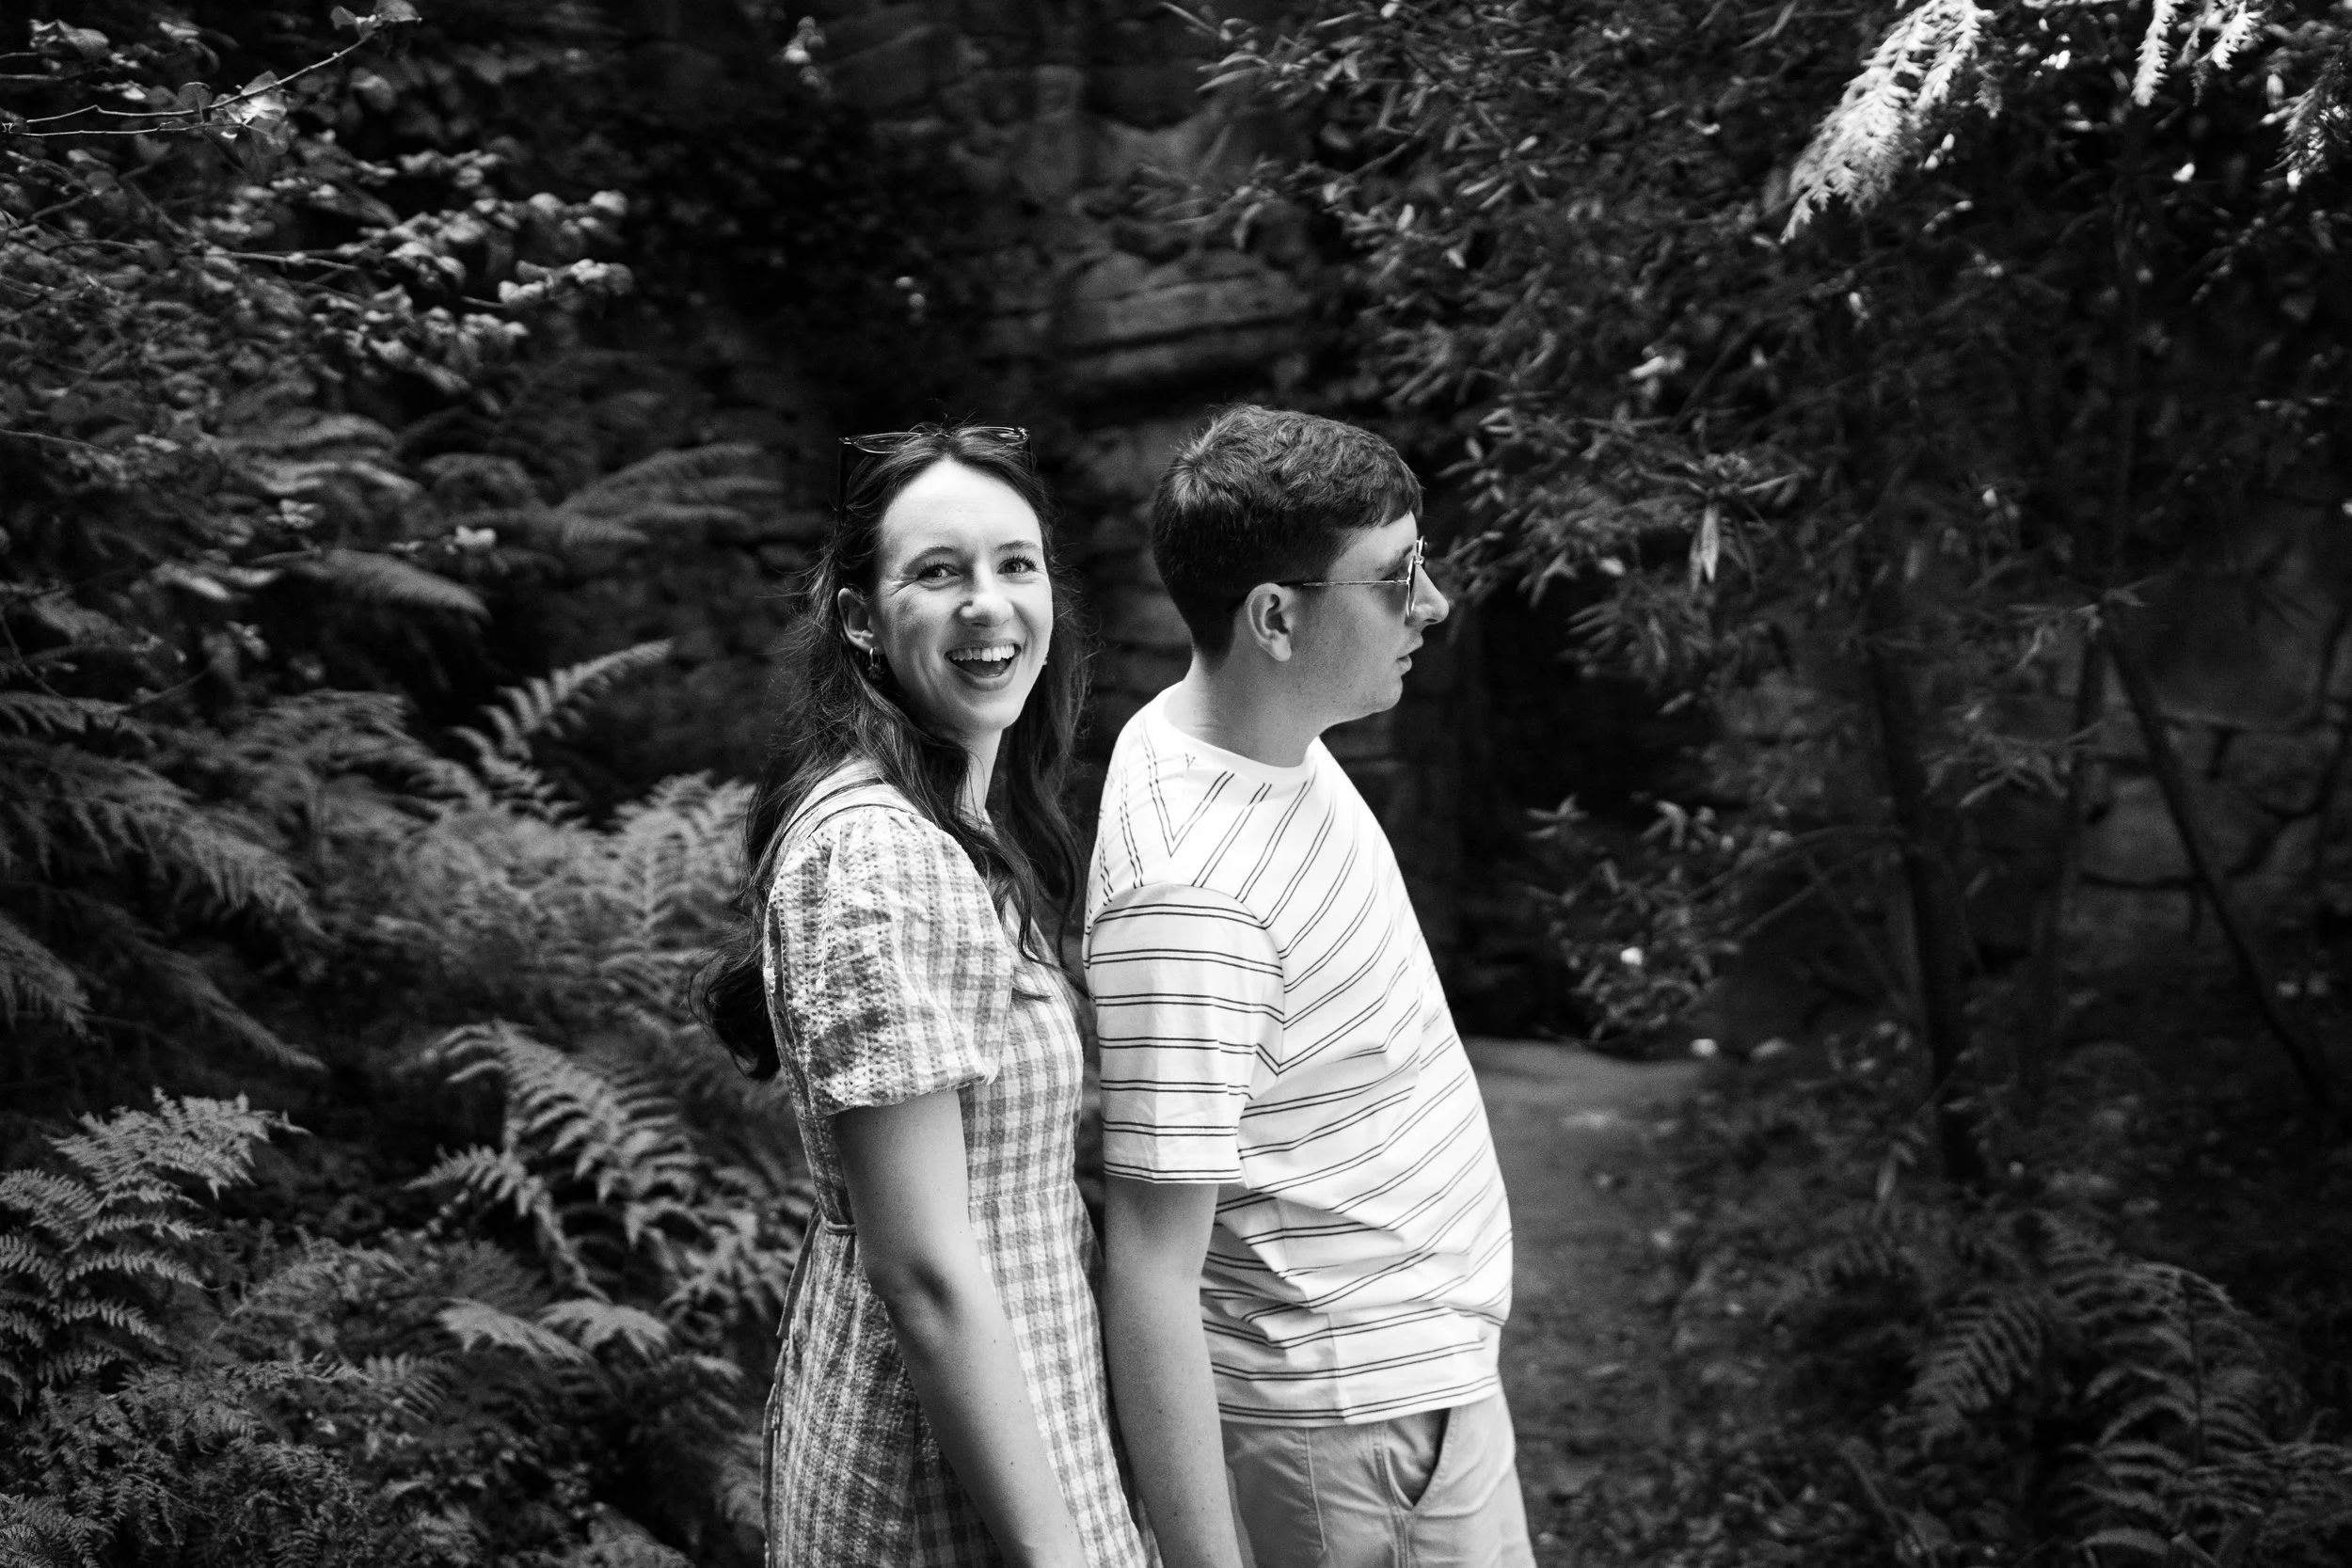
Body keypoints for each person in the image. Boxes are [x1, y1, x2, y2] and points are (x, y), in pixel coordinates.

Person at [1086, 405, 1533, 1568]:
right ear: (1274, 618)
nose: (1431, 603)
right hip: (1352, 1431)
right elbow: (1148, 1262)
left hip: (1404, 1389)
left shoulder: (1244, 734)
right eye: (1394, 579)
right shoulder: (1191, 896)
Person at [697, 423, 1150, 1568]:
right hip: (949, 1475)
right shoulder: (881, 854)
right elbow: (926, 1273)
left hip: (1029, 1410)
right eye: (937, 571)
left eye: (1016, 562)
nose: (988, 605)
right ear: (860, 617)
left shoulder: (971, 828)